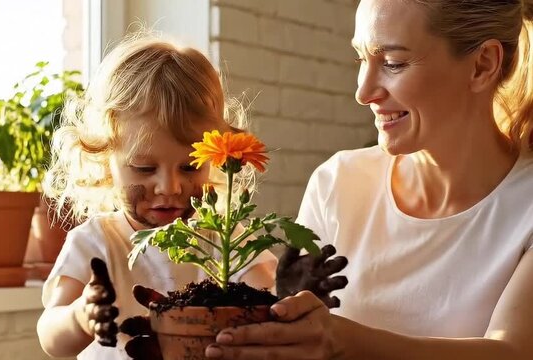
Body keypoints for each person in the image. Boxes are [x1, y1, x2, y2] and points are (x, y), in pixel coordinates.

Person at [200, 0, 533, 359]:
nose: (363, 92)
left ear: (482, 65)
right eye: (361, 58)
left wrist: (341, 341)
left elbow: (513, 350)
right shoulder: (338, 183)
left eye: (393, 63)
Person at [35, 31, 279, 360]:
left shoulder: (225, 240)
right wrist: (81, 316)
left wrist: (290, 294)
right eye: (144, 168)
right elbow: (51, 337)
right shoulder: (95, 243)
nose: (170, 187)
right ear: (105, 159)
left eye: (191, 167)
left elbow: (268, 308)